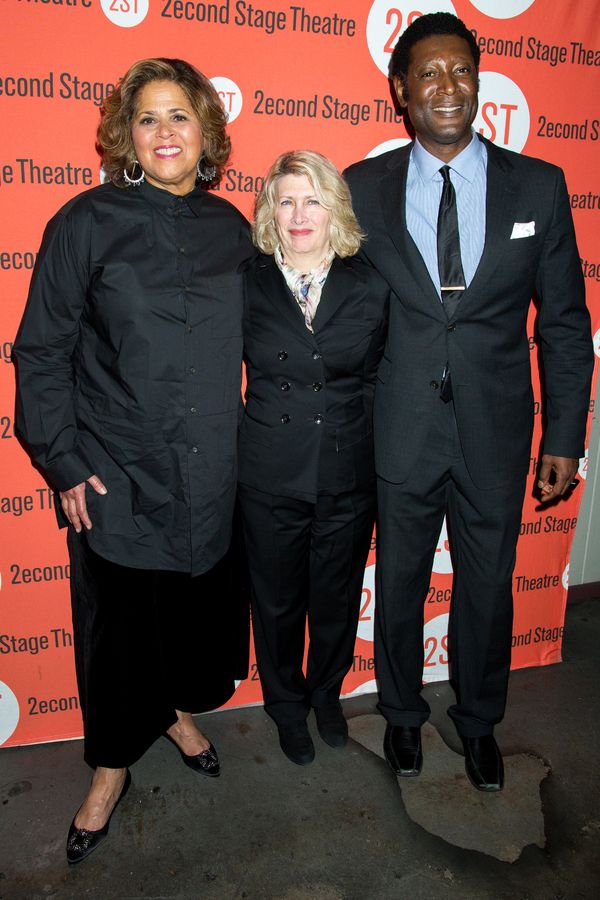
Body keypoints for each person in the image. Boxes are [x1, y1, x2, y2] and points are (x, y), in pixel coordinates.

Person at [13, 57, 254, 863]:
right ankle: (111, 767)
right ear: (126, 135)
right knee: (117, 632)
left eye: (179, 116)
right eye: (147, 118)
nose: (164, 133)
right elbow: (41, 351)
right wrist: (64, 459)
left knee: (187, 622)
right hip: (117, 470)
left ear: (206, 131)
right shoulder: (84, 223)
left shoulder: (234, 231)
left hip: (214, 471)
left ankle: (174, 713)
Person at [344, 13, 593, 791]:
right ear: (400, 90)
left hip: (495, 429)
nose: (447, 88)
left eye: (461, 71)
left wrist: (564, 437)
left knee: (488, 583)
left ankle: (481, 722)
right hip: (400, 428)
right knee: (401, 583)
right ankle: (404, 718)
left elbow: (563, 322)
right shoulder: (362, 188)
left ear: (478, 81)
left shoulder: (540, 185)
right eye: (429, 74)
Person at [238, 151, 389, 765]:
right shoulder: (245, 279)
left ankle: (326, 693)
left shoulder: (370, 282)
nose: (299, 215)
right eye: (287, 200)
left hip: (347, 469)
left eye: (313, 200)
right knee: (274, 603)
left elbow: (381, 379)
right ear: (272, 210)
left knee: (336, 593)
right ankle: (285, 707)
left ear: (334, 209)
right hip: (268, 469)